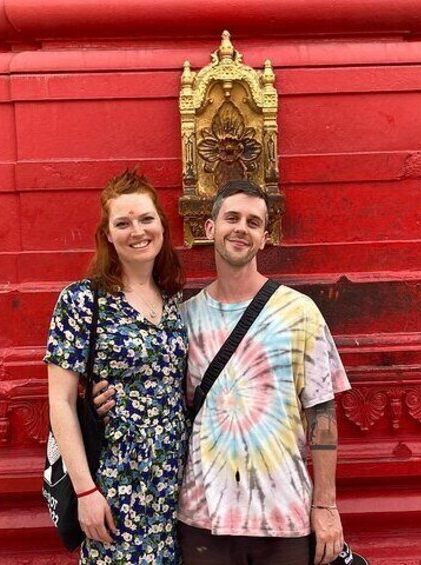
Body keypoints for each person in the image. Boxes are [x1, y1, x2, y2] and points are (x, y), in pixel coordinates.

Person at [95, 179, 351, 565]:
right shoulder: (181, 319)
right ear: (210, 228)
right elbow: (154, 392)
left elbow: (322, 412)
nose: (241, 228)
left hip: (283, 518)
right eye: (232, 218)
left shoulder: (299, 312)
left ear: (265, 238)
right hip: (202, 520)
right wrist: (101, 400)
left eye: (253, 222)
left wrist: (326, 505)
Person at [45, 169, 188, 564]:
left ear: (162, 225)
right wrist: (85, 491)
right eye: (123, 223)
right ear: (107, 234)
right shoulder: (81, 301)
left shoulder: (173, 299)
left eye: (146, 219)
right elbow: (60, 401)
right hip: (115, 485)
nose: (137, 231)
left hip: (176, 485)